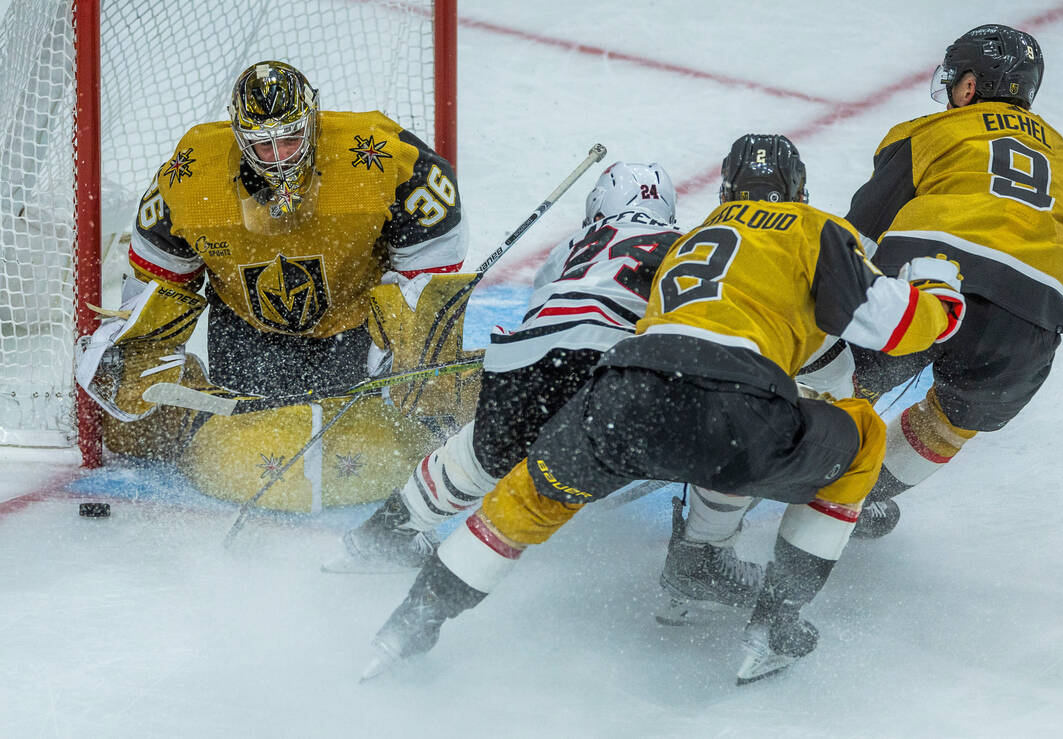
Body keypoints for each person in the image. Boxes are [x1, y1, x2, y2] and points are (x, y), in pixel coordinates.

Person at [359, 134, 968, 685]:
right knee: (852, 432)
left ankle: (408, 624)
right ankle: (772, 619)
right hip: (735, 400)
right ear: (799, 190)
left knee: (526, 496)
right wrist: (941, 297)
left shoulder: (690, 241)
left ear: (726, 189)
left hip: (623, 389)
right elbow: (892, 326)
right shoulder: (813, 227)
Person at [74, 60, 473, 509]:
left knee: (381, 438)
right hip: (246, 329)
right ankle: (189, 423)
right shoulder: (190, 179)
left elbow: (433, 266)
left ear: (313, 120)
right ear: (239, 136)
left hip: (351, 325)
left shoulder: (384, 158)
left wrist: (405, 345)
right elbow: (156, 287)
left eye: (290, 138)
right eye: (263, 145)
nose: (280, 156)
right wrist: (136, 345)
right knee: (192, 439)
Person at [842, 24, 1063, 538]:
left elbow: (854, 241)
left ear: (969, 86)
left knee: (838, 381)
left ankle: (786, 468)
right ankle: (863, 497)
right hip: (1027, 322)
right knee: (952, 421)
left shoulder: (927, 133)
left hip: (922, 286)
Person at [322, 162, 684, 571]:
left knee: (479, 454)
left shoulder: (573, 245)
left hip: (527, 357)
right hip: (614, 366)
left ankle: (382, 537)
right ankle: (703, 546)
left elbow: (543, 316)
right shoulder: (690, 245)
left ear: (598, 206)